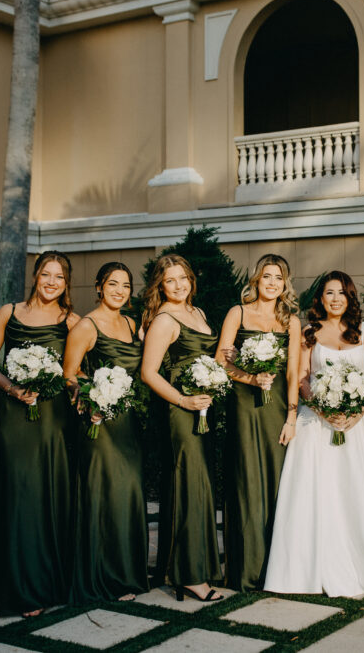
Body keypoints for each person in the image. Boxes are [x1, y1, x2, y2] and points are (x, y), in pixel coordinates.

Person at [264, 272, 364, 597]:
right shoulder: (309, 332)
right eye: (329, 293)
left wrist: (354, 414)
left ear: (350, 297)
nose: (336, 298)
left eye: (342, 293)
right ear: (320, 298)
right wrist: (323, 409)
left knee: (360, 489)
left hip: (360, 423)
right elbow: (303, 377)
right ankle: (312, 566)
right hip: (317, 423)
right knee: (321, 492)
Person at [0, 251, 79, 617]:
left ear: (66, 283)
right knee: (19, 495)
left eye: (60, 277)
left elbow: (79, 370)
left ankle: (52, 583)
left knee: (50, 495)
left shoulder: (72, 321)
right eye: (46, 274)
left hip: (54, 418)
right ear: (35, 276)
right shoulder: (10, 312)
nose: (52, 282)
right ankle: (19, 588)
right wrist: (12, 389)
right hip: (14, 416)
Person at [62, 262, 148, 604]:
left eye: (126, 286)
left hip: (131, 422)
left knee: (128, 496)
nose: (120, 291)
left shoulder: (132, 322)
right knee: (104, 495)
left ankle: (127, 573)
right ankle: (100, 576)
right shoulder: (86, 325)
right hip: (100, 422)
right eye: (113, 284)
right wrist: (90, 397)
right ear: (99, 286)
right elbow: (70, 374)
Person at [140, 254, 223, 602]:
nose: (178, 285)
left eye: (183, 278)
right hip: (181, 412)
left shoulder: (198, 313)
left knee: (200, 486)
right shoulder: (164, 320)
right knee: (189, 486)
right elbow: (148, 373)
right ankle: (189, 575)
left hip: (203, 410)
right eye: (170, 281)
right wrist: (183, 401)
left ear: (191, 279)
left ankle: (189, 567)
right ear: (160, 285)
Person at [215, 254, 301, 591]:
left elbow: (294, 371)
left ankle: (277, 569)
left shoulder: (291, 321)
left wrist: (292, 416)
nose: (272, 283)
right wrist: (249, 379)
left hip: (278, 407)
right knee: (246, 479)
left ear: (285, 284)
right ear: (256, 280)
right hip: (244, 405)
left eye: (278, 278)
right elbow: (221, 359)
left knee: (279, 482)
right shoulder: (238, 313)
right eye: (267, 276)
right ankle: (245, 569)